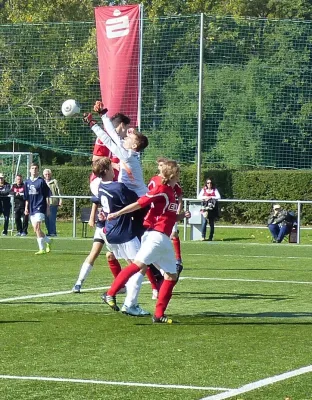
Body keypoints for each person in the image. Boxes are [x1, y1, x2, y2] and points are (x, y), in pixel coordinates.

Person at [102, 160, 191, 324]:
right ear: (173, 175)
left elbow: (167, 216)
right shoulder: (161, 189)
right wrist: (117, 214)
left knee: (171, 276)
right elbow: (139, 203)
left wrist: (181, 216)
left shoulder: (171, 192)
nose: (179, 176)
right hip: (155, 237)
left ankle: (159, 315)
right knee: (137, 265)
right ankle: (111, 292)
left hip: (163, 239)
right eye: (178, 173)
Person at [24, 163, 52, 255]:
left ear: (38, 170)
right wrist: (26, 207)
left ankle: (42, 249)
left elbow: (47, 195)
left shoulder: (41, 181)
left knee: (37, 227)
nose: (34, 170)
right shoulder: (27, 182)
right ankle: (48, 241)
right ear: (29, 170)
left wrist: (48, 208)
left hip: (40, 206)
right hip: (31, 207)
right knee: (36, 230)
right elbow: (26, 197)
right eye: (32, 168)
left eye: (36, 168)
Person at [43, 169, 62, 236]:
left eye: (48, 174)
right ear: (44, 175)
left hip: (53, 202)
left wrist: (60, 200)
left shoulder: (54, 181)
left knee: (51, 218)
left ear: (50, 174)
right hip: (44, 203)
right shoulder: (42, 182)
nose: (47, 175)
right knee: (46, 219)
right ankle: (49, 232)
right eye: (46, 174)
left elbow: (59, 191)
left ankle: (53, 232)